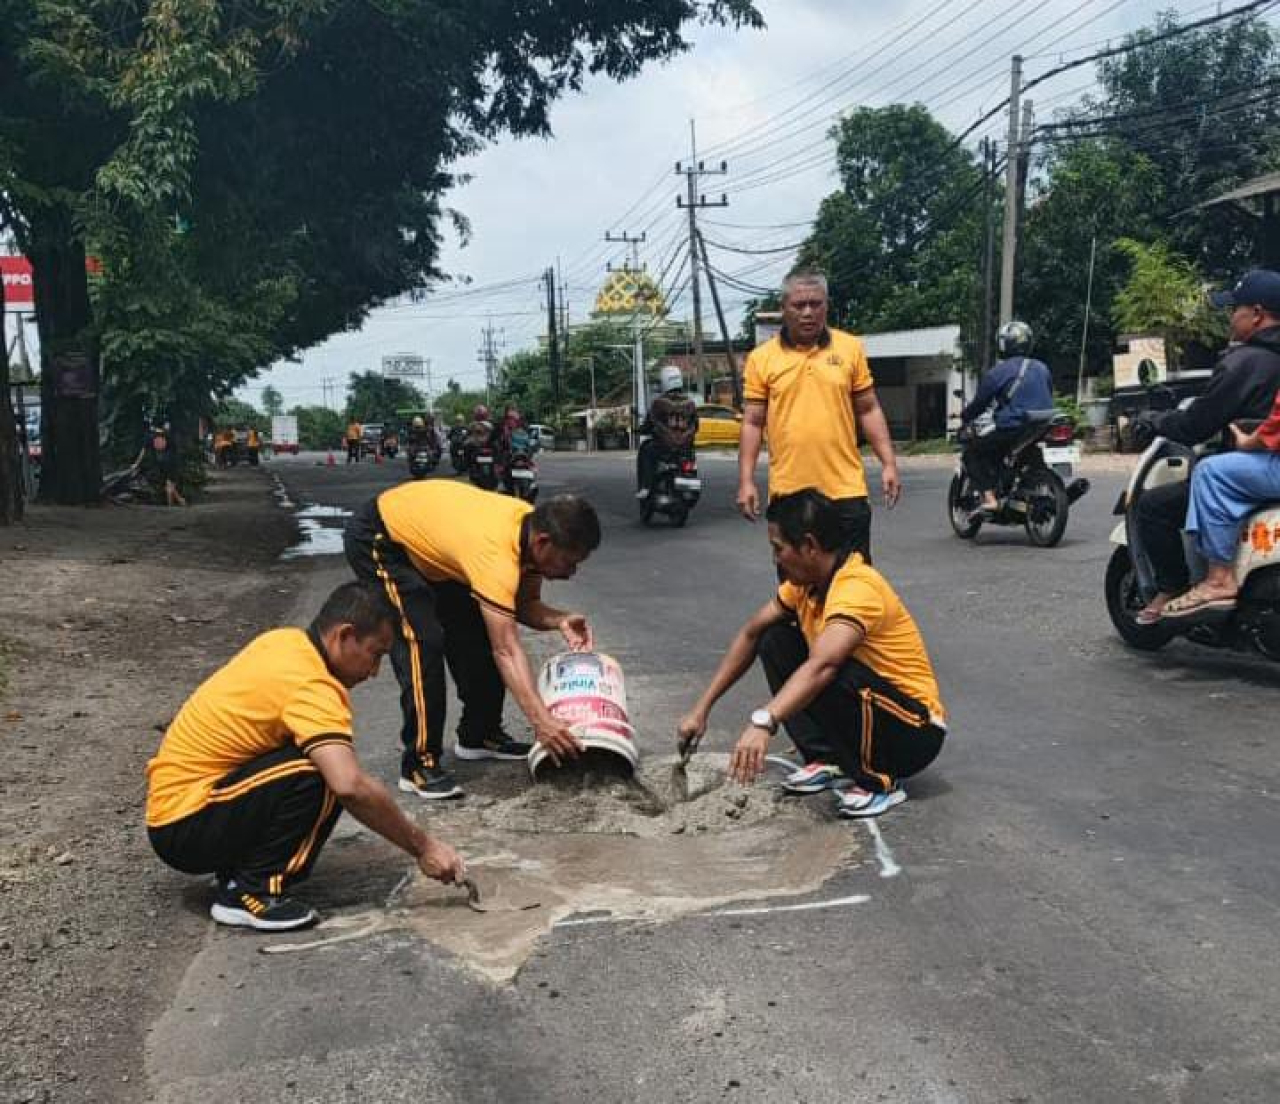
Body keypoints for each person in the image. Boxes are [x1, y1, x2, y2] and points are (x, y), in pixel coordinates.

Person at [146, 582, 465, 932]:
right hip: (185, 824)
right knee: (324, 775)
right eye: (376, 654)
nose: (374, 672)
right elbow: (350, 786)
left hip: (185, 811)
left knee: (316, 761)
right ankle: (250, 892)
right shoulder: (312, 685)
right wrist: (423, 847)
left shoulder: (285, 642)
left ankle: (240, 869)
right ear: (345, 636)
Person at [677, 489, 946, 818]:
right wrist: (701, 709)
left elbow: (823, 666)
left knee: (834, 668)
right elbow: (751, 631)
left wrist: (764, 722)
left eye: (779, 549)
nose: (775, 559)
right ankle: (828, 759)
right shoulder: (804, 584)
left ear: (809, 546)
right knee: (774, 638)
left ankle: (880, 783)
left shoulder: (856, 587)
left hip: (913, 732)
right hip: (873, 714)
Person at [343, 481, 600, 798]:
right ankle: (418, 764)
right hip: (382, 539)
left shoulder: (530, 539)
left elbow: (522, 606)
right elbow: (505, 649)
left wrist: (560, 619)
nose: (571, 572)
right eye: (569, 562)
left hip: (441, 550)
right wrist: (541, 722)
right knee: (422, 641)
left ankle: (479, 735)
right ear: (543, 542)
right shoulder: (495, 556)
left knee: (473, 631)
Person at [1132, 270, 1280, 623]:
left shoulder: (1244, 362)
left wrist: (1154, 421)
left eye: (1235, 309)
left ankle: (1208, 581)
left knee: (1159, 501)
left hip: (1266, 468)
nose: (1230, 318)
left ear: (1256, 314)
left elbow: (1195, 426)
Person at [737, 269, 901, 562]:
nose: (808, 312)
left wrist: (888, 463)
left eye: (816, 303)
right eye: (799, 305)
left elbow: (869, 408)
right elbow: (752, 422)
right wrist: (746, 480)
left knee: (853, 589)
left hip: (845, 492)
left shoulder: (851, 349)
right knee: (796, 595)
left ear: (826, 306)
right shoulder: (762, 359)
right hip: (789, 495)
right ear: (783, 309)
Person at [1163, 387, 1280, 617]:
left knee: (1210, 472)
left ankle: (1218, 580)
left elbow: (1276, 426)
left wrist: (1247, 442)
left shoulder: (1238, 362)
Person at [958, 320, 1055, 520]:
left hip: (1014, 426)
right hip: (1044, 423)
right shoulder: (1042, 367)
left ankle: (990, 499)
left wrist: (965, 417)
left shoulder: (997, 373)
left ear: (1003, 345)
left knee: (973, 454)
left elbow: (980, 403)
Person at [636, 365, 698, 500]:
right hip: (686, 449)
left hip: (663, 449)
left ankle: (646, 486)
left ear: (664, 381)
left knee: (646, 450)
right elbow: (696, 425)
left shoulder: (658, 403)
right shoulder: (690, 403)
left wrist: (641, 430)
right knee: (691, 461)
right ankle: (690, 483)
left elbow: (649, 424)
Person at [143, 429, 187, 507]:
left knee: (169, 486)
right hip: (164, 465)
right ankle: (178, 501)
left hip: (168, 465)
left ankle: (174, 503)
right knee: (169, 486)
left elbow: (145, 449)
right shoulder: (164, 439)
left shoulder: (160, 439)